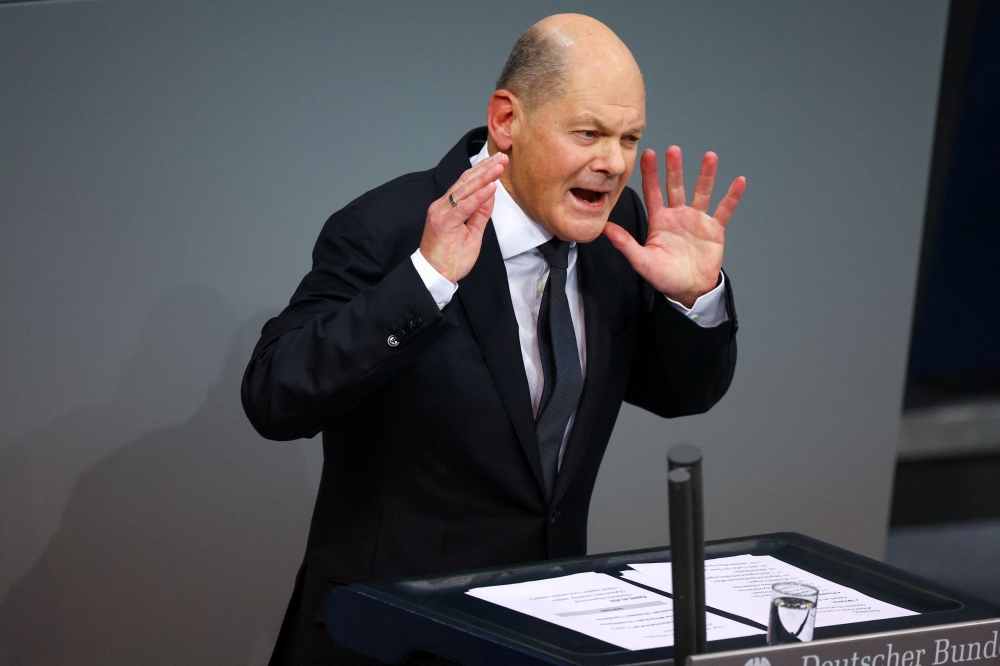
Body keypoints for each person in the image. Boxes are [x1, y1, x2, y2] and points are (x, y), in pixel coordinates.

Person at [242, 13, 745, 665]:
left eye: (629, 138)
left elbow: (679, 392)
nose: (614, 162)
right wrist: (426, 282)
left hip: (540, 636)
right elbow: (274, 397)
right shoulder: (388, 229)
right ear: (508, 120)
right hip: (388, 640)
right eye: (589, 133)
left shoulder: (616, 230)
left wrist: (691, 299)